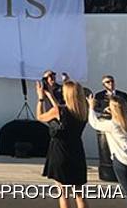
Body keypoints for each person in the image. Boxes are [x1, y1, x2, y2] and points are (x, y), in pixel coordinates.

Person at [37, 79, 89, 208]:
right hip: (77, 151)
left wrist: (41, 99)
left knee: (63, 193)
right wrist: (50, 95)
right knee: (79, 194)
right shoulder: (83, 111)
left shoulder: (59, 111)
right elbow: (60, 110)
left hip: (60, 152)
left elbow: (40, 116)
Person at [88, 93, 127, 208]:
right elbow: (126, 113)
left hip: (122, 162)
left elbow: (94, 123)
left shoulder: (112, 125)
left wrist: (91, 108)